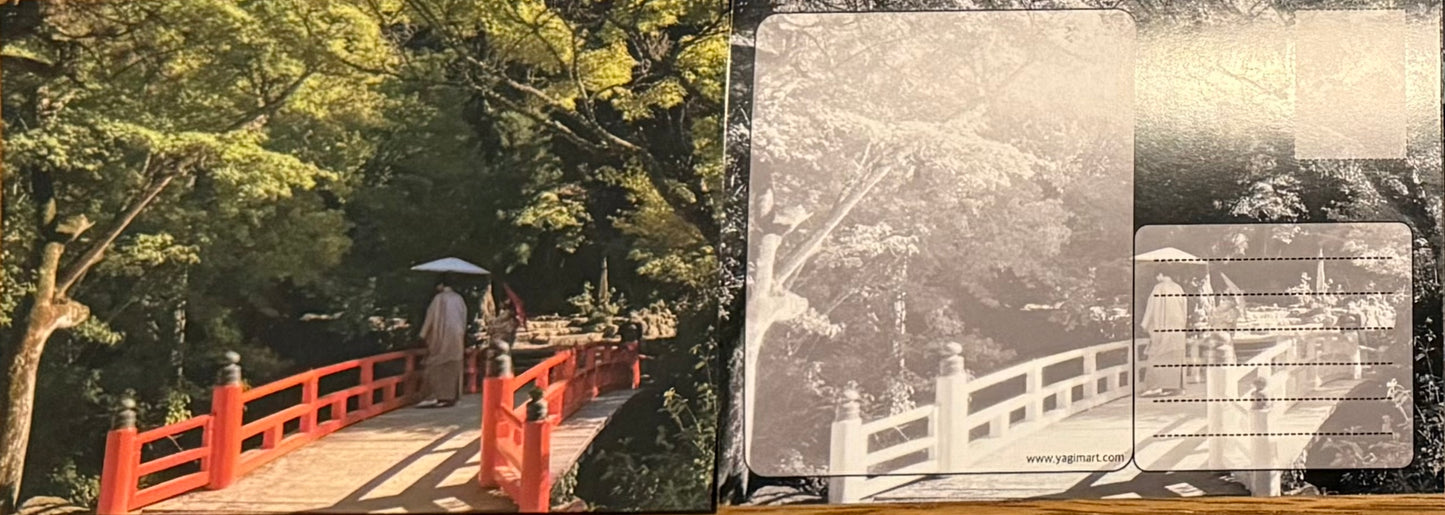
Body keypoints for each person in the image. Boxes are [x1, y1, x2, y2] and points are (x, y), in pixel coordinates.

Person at [418, 277, 467, 408]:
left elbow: (431, 318)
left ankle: (437, 396)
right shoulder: (459, 299)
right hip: (457, 338)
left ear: (441, 285)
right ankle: (453, 396)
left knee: (437, 365)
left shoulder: (439, 299)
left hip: (441, 337)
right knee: (454, 365)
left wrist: (423, 334)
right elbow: (463, 318)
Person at [1141, 270, 1189, 397]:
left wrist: (1146, 325)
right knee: (1175, 358)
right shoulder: (1179, 288)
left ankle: (1155, 387)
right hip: (1178, 330)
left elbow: (1151, 309)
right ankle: (1176, 387)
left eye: (1157, 275)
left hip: (1162, 329)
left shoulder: (1159, 288)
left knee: (1157, 357)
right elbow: (1184, 311)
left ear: (1160, 274)